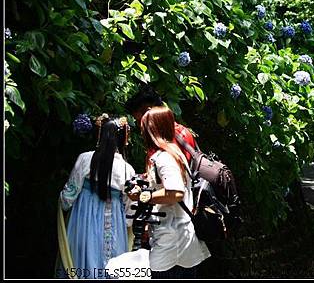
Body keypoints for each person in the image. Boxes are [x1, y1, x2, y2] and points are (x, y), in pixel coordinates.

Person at [127, 106, 210, 278]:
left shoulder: (164, 157)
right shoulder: (174, 152)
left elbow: (176, 192)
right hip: (177, 236)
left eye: (144, 128)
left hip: (172, 240)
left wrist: (146, 196)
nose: (142, 132)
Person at [59, 115, 136, 278]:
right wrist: (127, 223)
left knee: (80, 263)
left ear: (100, 135)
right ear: (123, 139)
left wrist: (64, 205)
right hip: (114, 221)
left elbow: (68, 196)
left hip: (83, 220)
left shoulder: (85, 159)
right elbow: (130, 209)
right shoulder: (126, 169)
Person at [124, 84, 199, 165]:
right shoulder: (182, 131)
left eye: (140, 121)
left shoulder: (162, 139)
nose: (141, 127)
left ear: (148, 111)